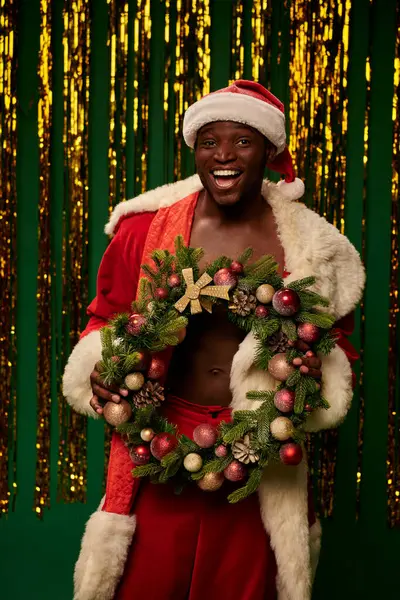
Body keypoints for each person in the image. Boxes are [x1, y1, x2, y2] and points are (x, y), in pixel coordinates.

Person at [63, 80, 364, 600]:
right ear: (195, 150)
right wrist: (103, 369)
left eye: (242, 141)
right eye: (209, 142)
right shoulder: (145, 230)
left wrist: (316, 377)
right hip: (161, 441)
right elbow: (105, 321)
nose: (223, 155)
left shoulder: (314, 246)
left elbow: (335, 342)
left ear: (269, 151)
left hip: (258, 447)